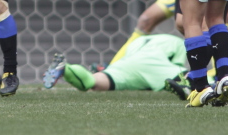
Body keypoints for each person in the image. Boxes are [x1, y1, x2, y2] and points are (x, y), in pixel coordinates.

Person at [43, 34, 188, 96]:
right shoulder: (181, 43)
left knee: (94, 81)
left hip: (130, 59)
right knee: (186, 80)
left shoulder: (144, 39)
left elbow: (129, 54)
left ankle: (66, 68)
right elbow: (176, 68)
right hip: (153, 62)